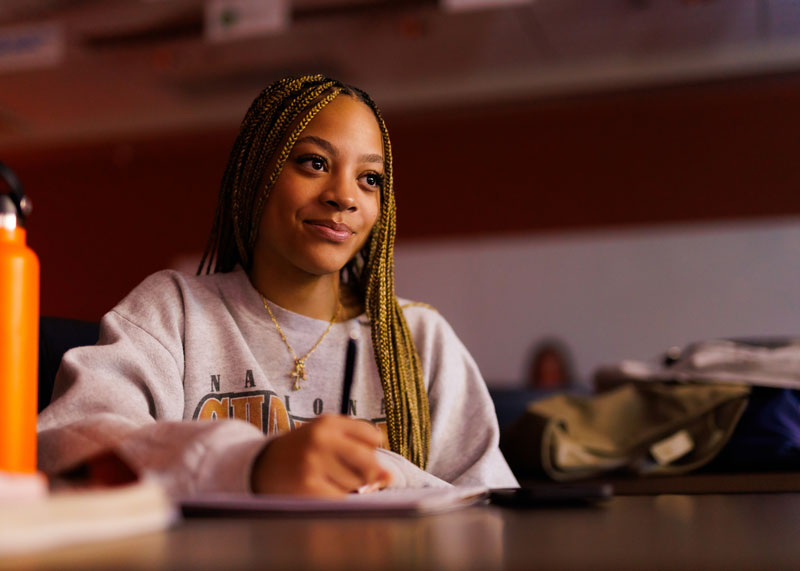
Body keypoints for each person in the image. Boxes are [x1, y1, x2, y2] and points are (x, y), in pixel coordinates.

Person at [37, 75, 517, 497]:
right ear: (257, 173)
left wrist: (389, 473)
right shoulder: (175, 312)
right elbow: (68, 444)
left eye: (369, 178)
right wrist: (254, 465)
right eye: (314, 163)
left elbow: (490, 506)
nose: (344, 196)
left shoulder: (419, 337)